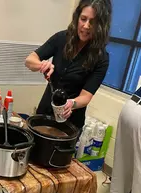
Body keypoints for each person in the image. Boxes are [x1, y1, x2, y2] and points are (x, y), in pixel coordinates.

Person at [25, 0, 111, 129]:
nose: (86, 26)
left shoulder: (101, 58)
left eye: (92, 22)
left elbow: (86, 96)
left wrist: (72, 103)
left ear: (101, 25)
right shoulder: (61, 38)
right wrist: (42, 65)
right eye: (83, 19)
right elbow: (30, 60)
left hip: (70, 123)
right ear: (77, 18)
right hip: (44, 113)